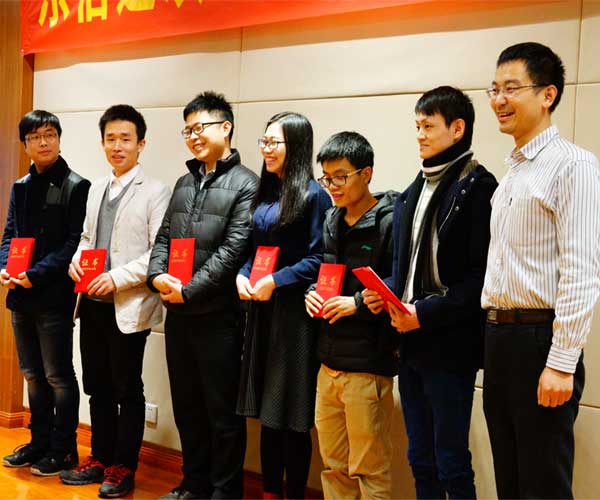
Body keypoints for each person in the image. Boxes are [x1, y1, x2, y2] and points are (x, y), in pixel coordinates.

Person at [363, 86, 497, 499]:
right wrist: (385, 292)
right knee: (420, 458)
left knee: (451, 461)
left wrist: (424, 313)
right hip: (410, 341)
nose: (419, 135)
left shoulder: (478, 186)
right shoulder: (413, 190)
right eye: (417, 126)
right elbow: (405, 270)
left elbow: (481, 279)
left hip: (450, 344)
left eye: (428, 126)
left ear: (457, 129)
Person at [481, 42, 600, 499]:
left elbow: (581, 271)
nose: (499, 100)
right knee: (509, 480)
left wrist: (562, 362)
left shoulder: (573, 165)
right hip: (499, 338)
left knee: (542, 484)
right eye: (494, 89)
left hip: (539, 340)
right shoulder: (512, 172)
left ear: (548, 94)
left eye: (511, 88)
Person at [147, 91, 258, 500]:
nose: (193, 136)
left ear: (226, 127)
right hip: (178, 316)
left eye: (200, 127)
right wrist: (157, 276)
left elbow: (233, 250)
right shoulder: (184, 182)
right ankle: (193, 485)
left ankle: (225, 492)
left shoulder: (247, 183)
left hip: (218, 318)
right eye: (187, 130)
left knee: (222, 413)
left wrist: (188, 291)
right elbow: (163, 238)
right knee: (188, 406)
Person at [61, 105, 170, 497]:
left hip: (129, 306)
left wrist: (115, 278)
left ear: (141, 143)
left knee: (127, 389)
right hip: (91, 303)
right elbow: (86, 239)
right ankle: (100, 457)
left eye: (126, 139)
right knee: (97, 385)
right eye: (111, 139)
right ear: (102, 142)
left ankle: (124, 466)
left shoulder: (155, 191)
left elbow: (158, 251)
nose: (117, 146)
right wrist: (77, 262)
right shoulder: (96, 189)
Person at [236, 112, 331, 499]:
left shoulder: (314, 195)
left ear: (298, 146)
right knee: (267, 414)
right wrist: (243, 274)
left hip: (296, 317)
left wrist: (276, 280)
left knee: (292, 415)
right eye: (264, 141)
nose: (267, 149)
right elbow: (254, 249)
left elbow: (320, 258)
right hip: (262, 310)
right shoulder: (266, 192)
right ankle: (270, 492)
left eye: (274, 142)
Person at [304, 131, 397, 499]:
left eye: (341, 177)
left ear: (366, 173)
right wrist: (313, 294)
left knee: (369, 469)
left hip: (367, 364)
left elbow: (398, 284)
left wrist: (356, 303)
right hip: (328, 361)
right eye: (327, 178)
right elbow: (325, 274)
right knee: (333, 466)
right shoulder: (331, 219)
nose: (333, 187)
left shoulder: (391, 220)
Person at [0, 110, 90, 476]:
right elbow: (9, 235)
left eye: (50, 135)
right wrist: (5, 267)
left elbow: (73, 243)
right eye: (35, 137)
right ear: (25, 144)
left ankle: (63, 448)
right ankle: (38, 442)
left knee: (58, 376)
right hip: (20, 295)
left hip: (54, 296)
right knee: (32, 374)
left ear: (59, 139)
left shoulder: (76, 185)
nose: (43, 142)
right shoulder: (20, 186)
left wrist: (34, 275)